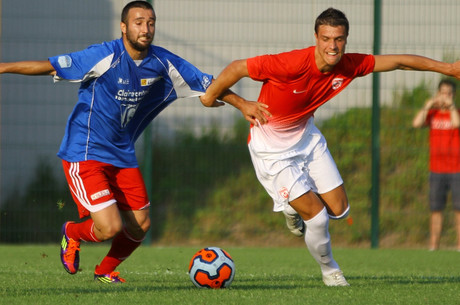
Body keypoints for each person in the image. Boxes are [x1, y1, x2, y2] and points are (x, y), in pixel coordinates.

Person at [0, 1, 268, 283]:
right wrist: (3, 67)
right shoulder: (104, 55)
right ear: (124, 27)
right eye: (139, 22)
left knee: (140, 226)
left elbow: (209, 84)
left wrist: (243, 104)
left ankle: (104, 272)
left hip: (122, 155)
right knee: (109, 227)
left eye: (151, 23)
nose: (146, 29)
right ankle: (72, 232)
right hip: (85, 151)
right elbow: (50, 66)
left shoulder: (163, 63)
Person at [201, 7, 460, 286]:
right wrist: (225, 100)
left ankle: (294, 204)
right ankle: (330, 271)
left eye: (338, 39)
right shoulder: (289, 64)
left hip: (307, 139)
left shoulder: (349, 65)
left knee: (339, 210)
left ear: (346, 39)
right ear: (316, 37)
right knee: (318, 217)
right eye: (326, 38)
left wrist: (448, 69)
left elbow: (398, 62)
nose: (332, 46)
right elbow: (238, 67)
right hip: (271, 149)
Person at [412, 79, 460, 251]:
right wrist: (428, 105)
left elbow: (456, 123)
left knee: (458, 209)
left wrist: (452, 107)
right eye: (443, 92)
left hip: (457, 169)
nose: (445, 97)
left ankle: (459, 246)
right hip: (437, 170)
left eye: (449, 93)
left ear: (454, 95)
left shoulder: (457, 112)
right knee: (436, 209)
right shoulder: (432, 114)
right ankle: (434, 246)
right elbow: (416, 123)